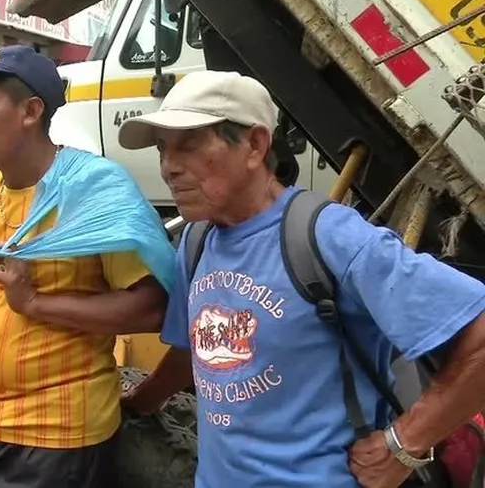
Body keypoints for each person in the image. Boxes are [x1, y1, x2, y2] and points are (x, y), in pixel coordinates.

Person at [117, 70, 485, 487]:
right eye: (163, 149)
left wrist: (405, 444)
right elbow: (200, 349)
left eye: (189, 145)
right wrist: (141, 401)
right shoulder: (198, 240)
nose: (169, 167)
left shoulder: (331, 238)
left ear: (255, 145)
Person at [0, 45, 170, 488]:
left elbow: (151, 308)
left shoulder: (92, 192)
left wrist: (34, 302)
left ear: (31, 111)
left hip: (59, 436)